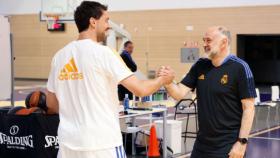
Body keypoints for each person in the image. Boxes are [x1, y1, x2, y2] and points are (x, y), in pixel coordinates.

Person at [46, 1, 174, 158]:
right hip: (103, 145)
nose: (109, 26)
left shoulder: (59, 57)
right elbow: (140, 89)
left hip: (68, 146)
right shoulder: (105, 53)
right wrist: (163, 80)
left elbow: (51, 105)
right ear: (93, 22)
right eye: (106, 20)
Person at [159, 26, 256, 158]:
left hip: (228, 145)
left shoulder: (240, 67)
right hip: (202, 144)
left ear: (224, 42)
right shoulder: (200, 65)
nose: (204, 44)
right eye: (203, 40)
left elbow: (248, 108)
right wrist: (168, 82)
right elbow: (179, 93)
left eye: (208, 40)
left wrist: (241, 143)